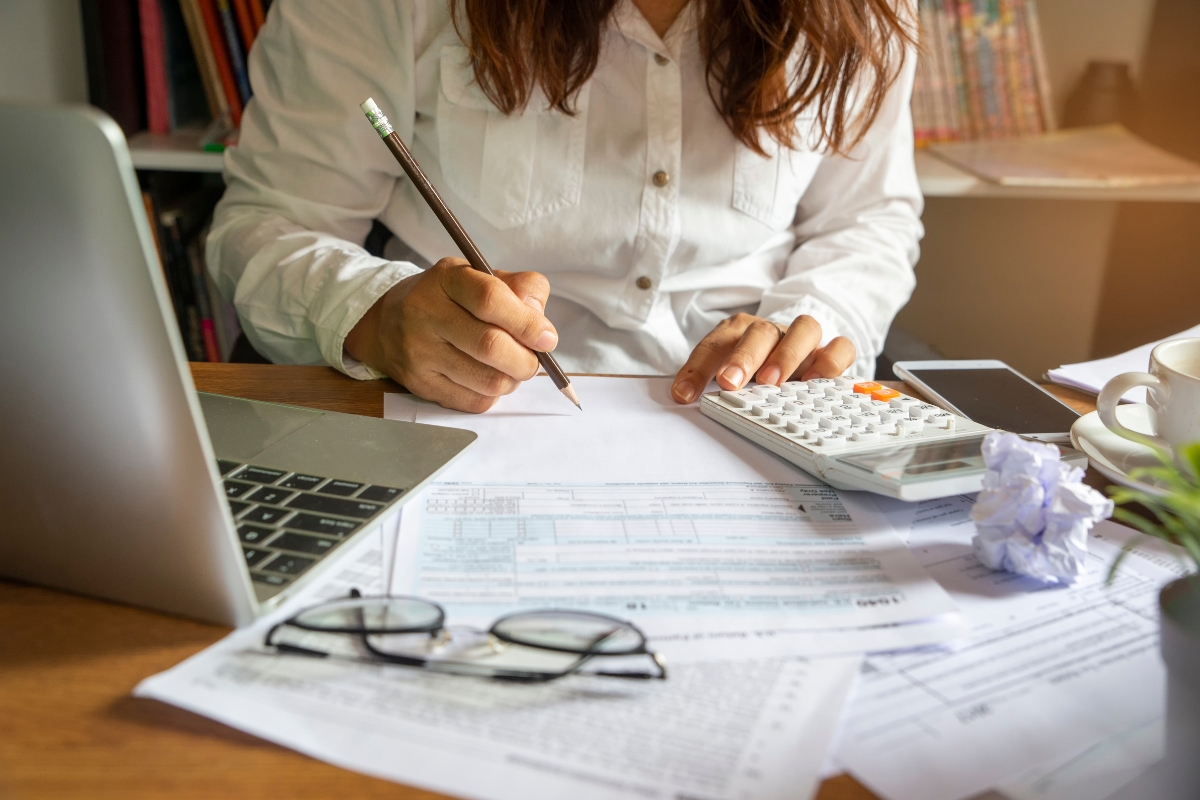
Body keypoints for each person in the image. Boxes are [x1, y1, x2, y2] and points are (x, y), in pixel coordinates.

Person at [207, 0, 922, 412]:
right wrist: (374, 313)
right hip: (455, 416)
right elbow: (269, 223)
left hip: (753, 417)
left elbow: (867, 220)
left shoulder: (862, 12)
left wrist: (811, 323)